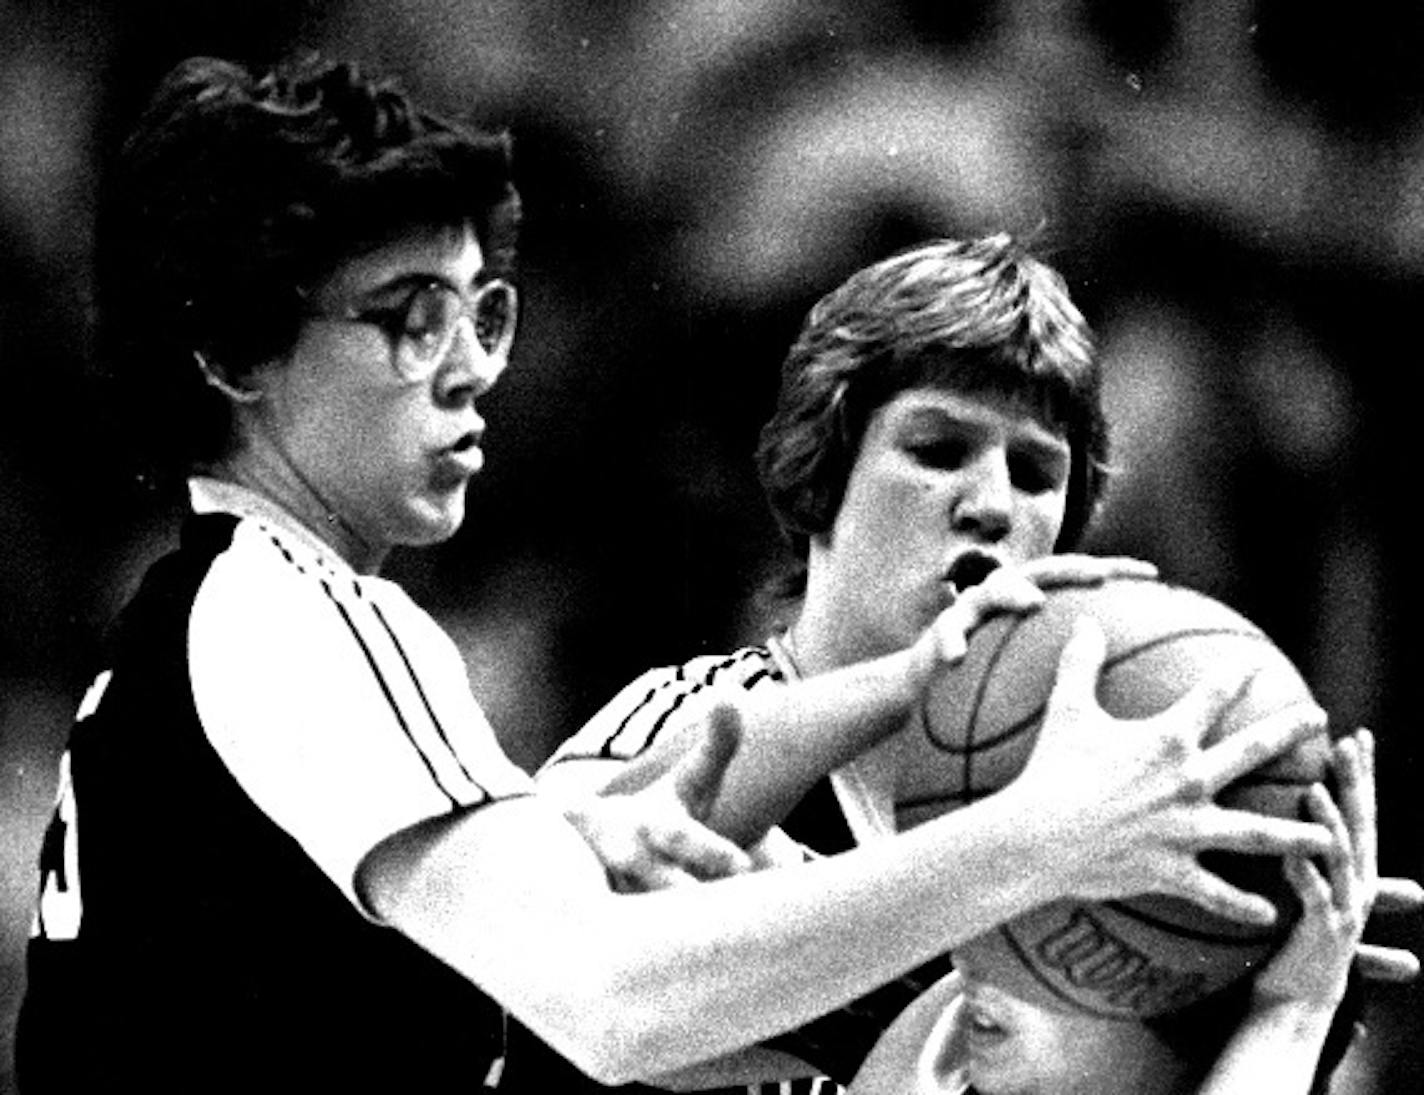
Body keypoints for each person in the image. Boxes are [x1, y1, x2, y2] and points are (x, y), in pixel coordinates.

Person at [14, 57, 1340, 1095]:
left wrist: (1273, 1007)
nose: (472, 363)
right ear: (237, 356)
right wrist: (1040, 835)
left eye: (483, 310)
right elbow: (606, 1000)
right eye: (406, 314)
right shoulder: (299, 612)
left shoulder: (210, 625)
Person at [538, 235, 1421, 1091]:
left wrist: (1286, 1001)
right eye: (939, 451)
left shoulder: (1103, 821)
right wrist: (906, 688)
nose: (993, 504)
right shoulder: (694, 716)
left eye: (1037, 473)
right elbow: (540, 928)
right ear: (819, 479)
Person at [849, 730, 1378, 1094]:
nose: (973, 954)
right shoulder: (948, 1041)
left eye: (1058, 932)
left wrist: (1295, 1008)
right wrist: (1293, 1008)